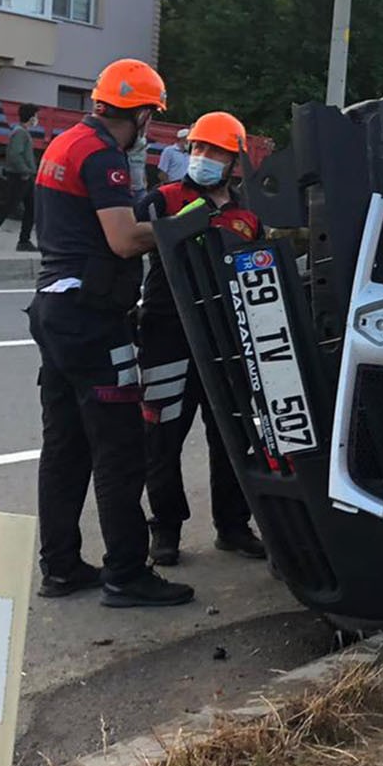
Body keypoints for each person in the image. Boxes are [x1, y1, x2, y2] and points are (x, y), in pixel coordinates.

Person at [29, 58, 192, 608]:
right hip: (92, 318)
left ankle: (60, 566)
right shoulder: (104, 157)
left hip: (53, 309)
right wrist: (176, 227)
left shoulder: (65, 142)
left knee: (65, 445)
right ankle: (127, 572)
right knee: (120, 447)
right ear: (144, 113)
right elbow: (123, 240)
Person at [135, 111, 266, 565]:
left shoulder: (248, 212)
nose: (202, 157)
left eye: (213, 151)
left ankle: (232, 526)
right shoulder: (162, 200)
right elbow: (126, 246)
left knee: (232, 435)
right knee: (162, 435)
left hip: (226, 339)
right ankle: (165, 530)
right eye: (196, 148)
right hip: (166, 332)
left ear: (234, 160)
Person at [0, 103, 40, 252]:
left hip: (25, 176)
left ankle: (24, 241)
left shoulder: (22, 131)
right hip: (19, 177)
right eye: (36, 116)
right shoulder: (20, 133)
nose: (37, 119)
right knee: (8, 208)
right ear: (30, 118)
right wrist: (25, 171)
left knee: (31, 208)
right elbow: (14, 155)